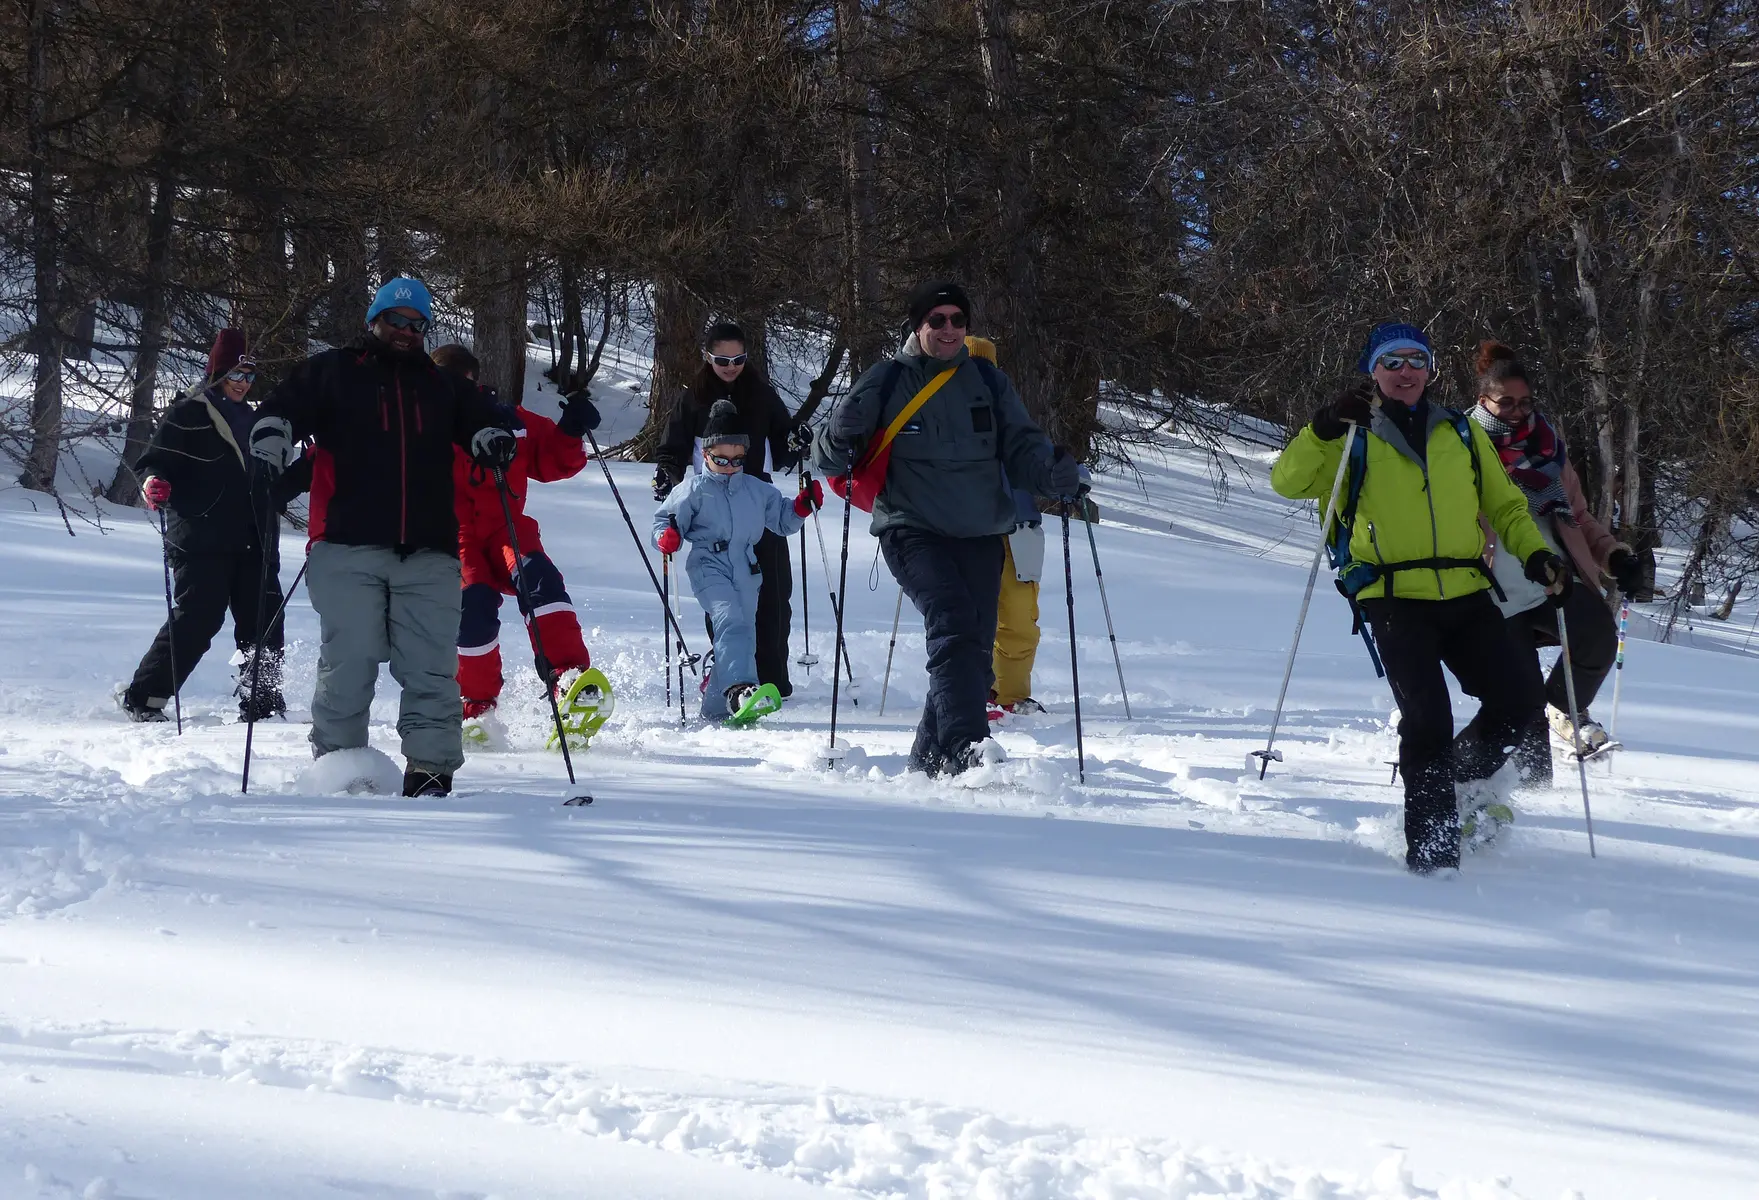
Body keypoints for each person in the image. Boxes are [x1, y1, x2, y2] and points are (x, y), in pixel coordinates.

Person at [1270, 321, 1565, 873]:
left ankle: (1457, 786)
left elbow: (1504, 505)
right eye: (1392, 361)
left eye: (1416, 361)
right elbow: (1286, 482)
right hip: (1390, 593)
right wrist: (1323, 427)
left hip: (1466, 588)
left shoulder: (1458, 431)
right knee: (1427, 717)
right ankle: (1433, 855)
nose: (1405, 372)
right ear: (1372, 370)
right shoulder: (1350, 434)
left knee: (1520, 701)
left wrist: (1535, 554)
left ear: (1430, 370)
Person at [246, 277, 515, 798]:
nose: (406, 332)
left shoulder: (442, 386)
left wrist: (490, 436)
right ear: (375, 320)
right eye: (397, 320)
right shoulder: (334, 371)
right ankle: (341, 770)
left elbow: (482, 417)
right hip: (347, 544)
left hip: (430, 550)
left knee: (432, 666)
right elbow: (283, 408)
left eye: (417, 325)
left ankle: (432, 773)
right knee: (351, 659)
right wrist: (272, 438)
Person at [812, 281, 1078, 777]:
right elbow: (828, 457)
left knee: (974, 649)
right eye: (938, 320)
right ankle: (967, 746)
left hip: (980, 533)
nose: (950, 329)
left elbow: (1022, 448)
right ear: (918, 327)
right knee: (953, 621)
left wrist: (1052, 473)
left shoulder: (988, 381)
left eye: (959, 320)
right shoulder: (888, 380)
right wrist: (838, 430)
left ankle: (928, 765)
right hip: (911, 528)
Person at [1470, 340, 1638, 777]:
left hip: (1552, 577)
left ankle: (1562, 710)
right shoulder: (1463, 444)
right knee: (1518, 701)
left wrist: (1614, 557)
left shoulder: (1547, 445)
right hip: (1493, 587)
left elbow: (1577, 517)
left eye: (1524, 403)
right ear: (1483, 399)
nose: (1516, 412)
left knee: (1598, 637)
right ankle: (1497, 784)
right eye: (1505, 402)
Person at [431, 344, 604, 741]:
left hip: (507, 528)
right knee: (471, 603)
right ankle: (475, 706)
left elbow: (552, 459)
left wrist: (572, 429)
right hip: (452, 534)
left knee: (541, 581)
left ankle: (568, 680)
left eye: (468, 384)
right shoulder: (423, 424)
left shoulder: (508, 420)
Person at [120, 329, 288, 723]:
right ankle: (144, 697)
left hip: (255, 536)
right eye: (236, 374)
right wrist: (153, 483)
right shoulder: (189, 413)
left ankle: (262, 704)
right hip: (201, 536)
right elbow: (155, 461)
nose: (243, 384)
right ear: (217, 371)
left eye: (249, 376)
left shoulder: (257, 419)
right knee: (200, 616)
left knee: (264, 618)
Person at [654, 322, 801, 697]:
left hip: (758, 502)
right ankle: (731, 677)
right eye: (722, 359)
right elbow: (673, 446)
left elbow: (785, 444)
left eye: (738, 359)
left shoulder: (762, 394)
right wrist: (667, 474)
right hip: (713, 509)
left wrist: (797, 441)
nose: (730, 366)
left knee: (772, 594)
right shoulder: (693, 398)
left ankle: (772, 679)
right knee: (725, 603)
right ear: (707, 356)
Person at [654, 400, 819, 721]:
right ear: (705, 455)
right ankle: (741, 689)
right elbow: (664, 522)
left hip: (747, 568)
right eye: (720, 460)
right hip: (708, 565)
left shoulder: (757, 490)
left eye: (737, 460)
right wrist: (667, 537)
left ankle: (716, 711)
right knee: (730, 621)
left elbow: (782, 521)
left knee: (744, 633)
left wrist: (800, 507)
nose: (729, 466)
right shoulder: (693, 490)